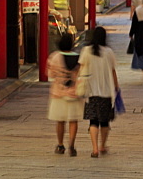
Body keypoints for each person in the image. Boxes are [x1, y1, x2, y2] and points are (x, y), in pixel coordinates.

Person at [79, 26, 119, 158]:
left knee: (93, 121)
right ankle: (102, 145)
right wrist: (116, 86)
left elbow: (82, 68)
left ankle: (94, 148)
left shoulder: (86, 51)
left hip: (91, 91)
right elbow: (113, 71)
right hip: (106, 91)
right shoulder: (108, 52)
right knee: (105, 121)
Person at [48, 33, 84, 156]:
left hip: (58, 93)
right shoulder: (79, 58)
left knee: (60, 121)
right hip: (74, 94)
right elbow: (82, 75)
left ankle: (60, 145)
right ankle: (72, 145)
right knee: (73, 120)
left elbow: (50, 76)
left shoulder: (54, 57)